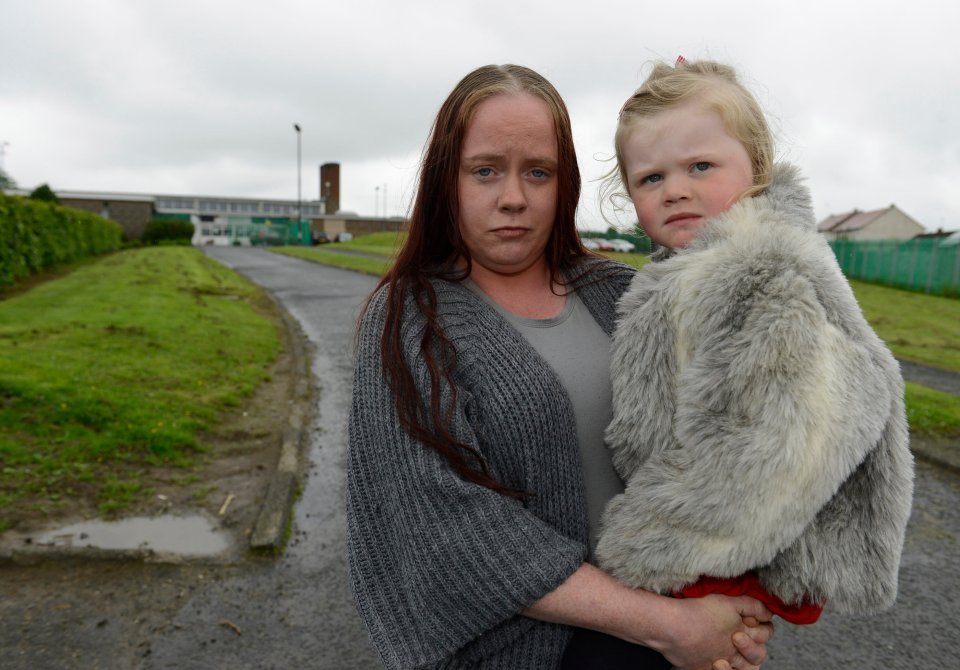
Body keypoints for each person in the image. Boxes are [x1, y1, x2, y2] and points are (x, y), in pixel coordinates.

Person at [346, 63, 777, 670]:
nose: (514, 198)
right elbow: (445, 526)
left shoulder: (625, 292)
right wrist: (667, 627)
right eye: (485, 170)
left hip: (675, 635)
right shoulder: (408, 320)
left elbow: (745, 418)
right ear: (447, 180)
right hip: (530, 651)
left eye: (538, 172)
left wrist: (736, 606)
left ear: (565, 183)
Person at [595, 58, 915, 624]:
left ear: (757, 166)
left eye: (700, 165)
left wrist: (649, 546)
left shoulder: (760, 269)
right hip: (717, 551)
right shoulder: (691, 265)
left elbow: (784, 441)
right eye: (651, 177)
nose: (675, 190)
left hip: (722, 552)